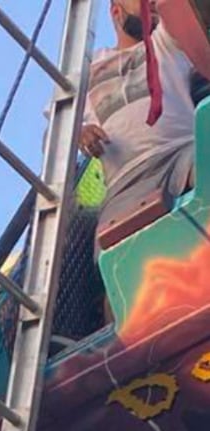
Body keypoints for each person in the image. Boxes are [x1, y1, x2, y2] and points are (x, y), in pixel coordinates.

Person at [79, 0, 210, 255]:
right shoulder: (86, 72)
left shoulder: (165, 40)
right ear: (116, 12)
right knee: (113, 256)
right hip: (126, 182)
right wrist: (80, 135)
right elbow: (57, 136)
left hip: (182, 154)